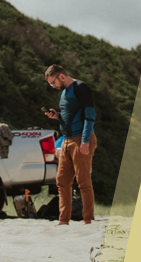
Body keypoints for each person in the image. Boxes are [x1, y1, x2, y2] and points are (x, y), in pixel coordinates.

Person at [44, 63, 97, 225]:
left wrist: (85, 141)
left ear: (61, 76)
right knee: (62, 181)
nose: (53, 86)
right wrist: (57, 116)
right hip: (66, 140)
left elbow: (90, 115)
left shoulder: (81, 87)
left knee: (83, 181)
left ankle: (87, 219)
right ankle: (63, 219)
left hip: (81, 139)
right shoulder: (64, 92)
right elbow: (70, 114)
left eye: (54, 82)